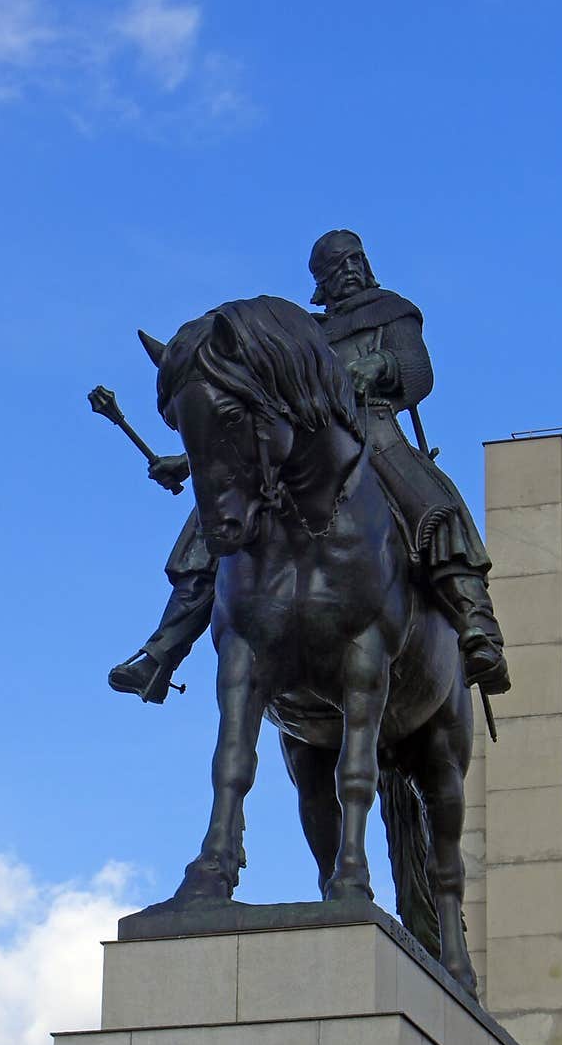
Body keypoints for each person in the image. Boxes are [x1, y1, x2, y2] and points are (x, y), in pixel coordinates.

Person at [108, 230, 509, 702]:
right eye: (338, 268)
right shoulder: (306, 334)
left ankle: (477, 625)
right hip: (305, 444)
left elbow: (418, 371)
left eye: (356, 261)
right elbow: (257, 418)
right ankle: (163, 650)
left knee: (431, 500)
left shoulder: (392, 311)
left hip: (374, 429)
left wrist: (381, 364)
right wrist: (192, 459)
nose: (351, 272)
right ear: (321, 282)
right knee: (217, 509)